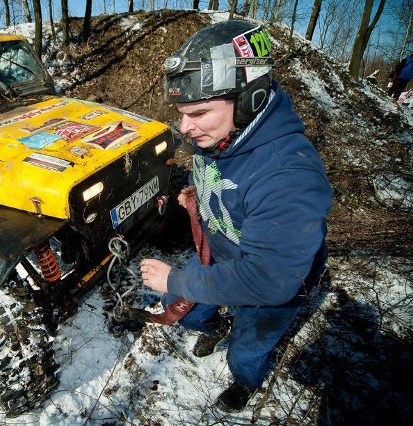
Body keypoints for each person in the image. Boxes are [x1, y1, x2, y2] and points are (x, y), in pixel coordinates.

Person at [139, 20, 332, 413]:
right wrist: (200, 196)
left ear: (251, 98)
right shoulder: (225, 134)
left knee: (246, 351)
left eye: (198, 112)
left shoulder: (289, 177)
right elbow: (232, 182)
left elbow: (268, 280)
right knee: (184, 312)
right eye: (181, 112)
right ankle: (214, 324)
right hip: (224, 256)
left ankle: (246, 382)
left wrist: (176, 277)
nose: (185, 127)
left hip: (270, 289)